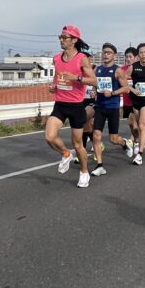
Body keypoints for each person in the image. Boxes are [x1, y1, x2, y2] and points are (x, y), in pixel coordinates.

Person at [46, 25, 98, 188]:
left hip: (76, 106)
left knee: (78, 144)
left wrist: (76, 77)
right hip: (60, 103)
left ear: (74, 40)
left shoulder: (82, 58)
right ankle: (66, 153)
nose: (61, 40)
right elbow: (58, 78)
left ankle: (84, 172)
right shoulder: (56, 58)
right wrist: (54, 86)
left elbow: (94, 80)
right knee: (49, 136)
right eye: (60, 37)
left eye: (64, 37)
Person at [90, 42, 133, 177]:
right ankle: (100, 166)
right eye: (104, 52)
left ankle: (124, 143)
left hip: (113, 107)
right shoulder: (97, 69)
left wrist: (113, 93)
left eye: (108, 52)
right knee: (96, 136)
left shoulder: (118, 70)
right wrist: (94, 92)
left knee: (113, 139)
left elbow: (126, 88)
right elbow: (95, 85)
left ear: (114, 55)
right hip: (100, 107)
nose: (105, 54)